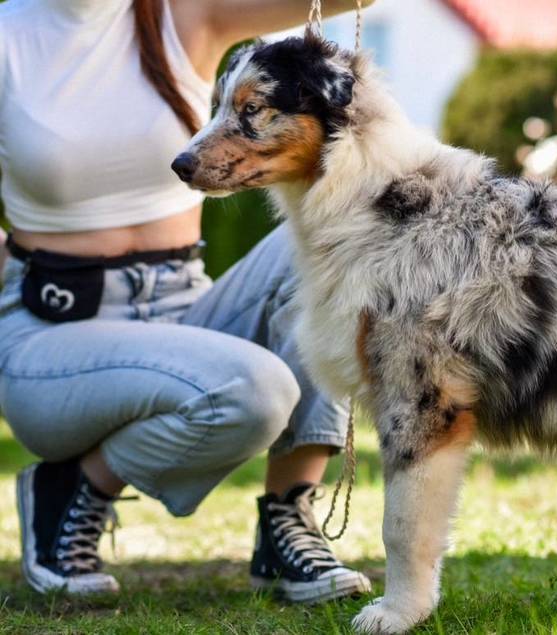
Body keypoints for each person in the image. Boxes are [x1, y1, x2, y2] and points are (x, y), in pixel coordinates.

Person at [0, 0, 373, 602]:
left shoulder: (182, 14)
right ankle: (71, 490)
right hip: (54, 332)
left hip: (183, 312)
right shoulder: (9, 37)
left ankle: (287, 520)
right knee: (255, 391)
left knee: (324, 239)